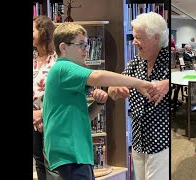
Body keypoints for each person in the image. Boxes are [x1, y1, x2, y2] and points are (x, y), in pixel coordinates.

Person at [42, 22, 154, 179]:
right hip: (70, 152)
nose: (86, 49)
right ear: (63, 48)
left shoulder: (64, 72)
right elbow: (98, 76)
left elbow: (84, 117)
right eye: (80, 44)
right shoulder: (62, 68)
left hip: (76, 152)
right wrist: (141, 83)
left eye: (86, 44)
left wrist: (99, 103)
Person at [108, 12, 169, 180]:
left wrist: (167, 83)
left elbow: (189, 78)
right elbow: (113, 87)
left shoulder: (167, 59)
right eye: (134, 37)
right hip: (139, 141)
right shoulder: (136, 62)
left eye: (139, 38)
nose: (134, 42)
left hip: (161, 143)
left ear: (156, 38)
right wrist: (115, 90)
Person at [33, 15, 62, 180]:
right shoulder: (34, 59)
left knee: (53, 164)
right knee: (39, 162)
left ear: (43, 32)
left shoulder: (58, 59)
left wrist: (42, 113)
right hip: (34, 121)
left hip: (51, 118)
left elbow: (61, 93)